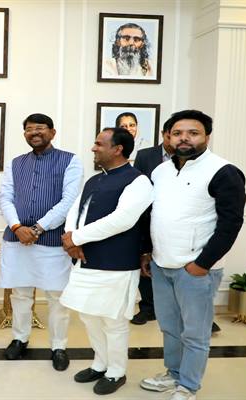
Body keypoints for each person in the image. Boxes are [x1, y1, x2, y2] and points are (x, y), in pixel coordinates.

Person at [140, 110, 246, 400]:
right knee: (170, 328)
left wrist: (202, 264)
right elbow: (153, 215)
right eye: (177, 133)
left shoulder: (223, 171)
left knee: (195, 333)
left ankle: (188, 386)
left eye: (193, 133)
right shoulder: (161, 171)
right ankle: (173, 373)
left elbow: (231, 224)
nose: (184, 138)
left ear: (207, 136)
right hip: (161, 264)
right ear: (168, 137)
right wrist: (148, 252)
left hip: (196, 269)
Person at [59, 127, 153, 395]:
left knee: (113, 321)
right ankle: (100, 364)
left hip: (116, 263)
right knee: (88, 316)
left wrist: (77, 237)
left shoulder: (138, 181)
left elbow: (122, 220)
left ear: (118, 149)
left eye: (99, 144)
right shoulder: (95, 179)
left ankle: (116, 372)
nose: (93, 148)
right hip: (85, 260)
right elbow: (75, 211)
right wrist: (71, 237)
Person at [0, 113, 83, 371]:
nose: (35, 133)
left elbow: (69, 201)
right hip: (17, 238)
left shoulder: (71, 161)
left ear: (52, 132)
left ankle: (59, 346)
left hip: (52, 241)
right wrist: (17, 227)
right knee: (20, 293)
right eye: (29, 129)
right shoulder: (16, 163)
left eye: (40, 128)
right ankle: (19, 338)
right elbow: (5, 197)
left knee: (57, 296)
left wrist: (36, 228)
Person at [131, 121, 172, 325]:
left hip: (175, 219)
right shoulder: (145, 155)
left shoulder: (190, 156)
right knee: (145, 261)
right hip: (148, 216)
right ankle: (148, 308)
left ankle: (180, 309)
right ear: (163, 134)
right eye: (171, 135)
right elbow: (137, 184)